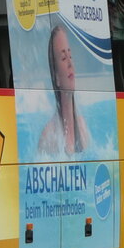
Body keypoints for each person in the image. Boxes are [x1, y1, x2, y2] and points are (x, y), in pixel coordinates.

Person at [37, 23, 91, 157]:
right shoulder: (49, 136)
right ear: (56, 78)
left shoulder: (83, 127)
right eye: (63, 58)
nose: (70, 63)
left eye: (70, 56)